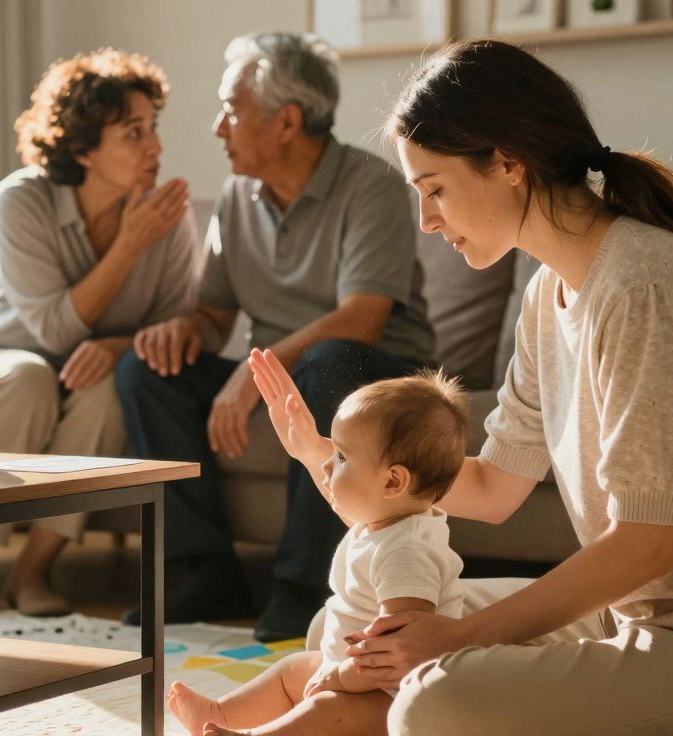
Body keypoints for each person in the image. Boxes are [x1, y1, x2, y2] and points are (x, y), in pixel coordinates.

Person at [203, 40, 673, 736]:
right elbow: (490, 488)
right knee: (354, 624)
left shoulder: (643, 281)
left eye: (435, 190)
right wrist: (319, 453)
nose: (427, 221)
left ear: (508, 162)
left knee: (432, 695)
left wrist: (456, 639)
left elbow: (645, 545)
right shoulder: (550, 295)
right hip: (633, 616)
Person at [115, 31, 435, 642]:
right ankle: (203, 569)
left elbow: (361, 318)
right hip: (282, 372)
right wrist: (180, 330)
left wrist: (246, 374)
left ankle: (305, 585)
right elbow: (212, 314)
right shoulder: (237, 198)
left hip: (375, 373)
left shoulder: (372, 187)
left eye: (232, 110)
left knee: (327, 360)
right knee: (145, 371)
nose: (217, 127)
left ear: (287, 121)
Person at [0, 48, 200, 622]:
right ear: (81, 146)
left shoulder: (168, 214)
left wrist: (115, 347)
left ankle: (33, 569)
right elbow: (52, 327)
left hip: (97, 366)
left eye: (153, 128)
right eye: (133, 132)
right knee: (29, 376)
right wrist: (129, 245)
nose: (155, 147)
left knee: (114, 387)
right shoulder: (21, 199)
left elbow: (173, 326)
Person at [166, 359, 469, 735]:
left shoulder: (407, 553)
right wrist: (305, 444)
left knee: (326, 709)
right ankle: (220, 714)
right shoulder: (385, 526)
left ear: (393, 482)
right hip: (357, 675)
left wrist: (340, 680)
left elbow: (396, 650)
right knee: (292, 670)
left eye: (341, 457)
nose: (327, 467)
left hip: (395, 697)